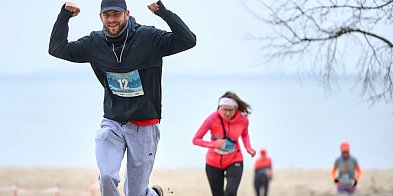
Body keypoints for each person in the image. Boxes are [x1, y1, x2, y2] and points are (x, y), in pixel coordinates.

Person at [48, 0, 196, 195]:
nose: (111, 20)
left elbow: (188, 40)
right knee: (107, 177)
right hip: (112, 122)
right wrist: (64, 17)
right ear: (101, 17)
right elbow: (57, 49)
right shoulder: (95, 43)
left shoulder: (148, 37)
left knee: (135, 192)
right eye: (107, 15)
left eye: (116, 15)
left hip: (144, 125)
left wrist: (164, 12)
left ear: (127, 14)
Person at [192, 91, 256, 196]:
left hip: (234, 159)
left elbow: (244, 134)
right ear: (219, 107)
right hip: (213, 162)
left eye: (230, 110)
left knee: (231, 192)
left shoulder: (243, 120)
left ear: (236, 108)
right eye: (224, 109)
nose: (226, 113)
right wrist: (214, 144)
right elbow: (195, 140)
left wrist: (248, 148)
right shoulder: (211, 119)